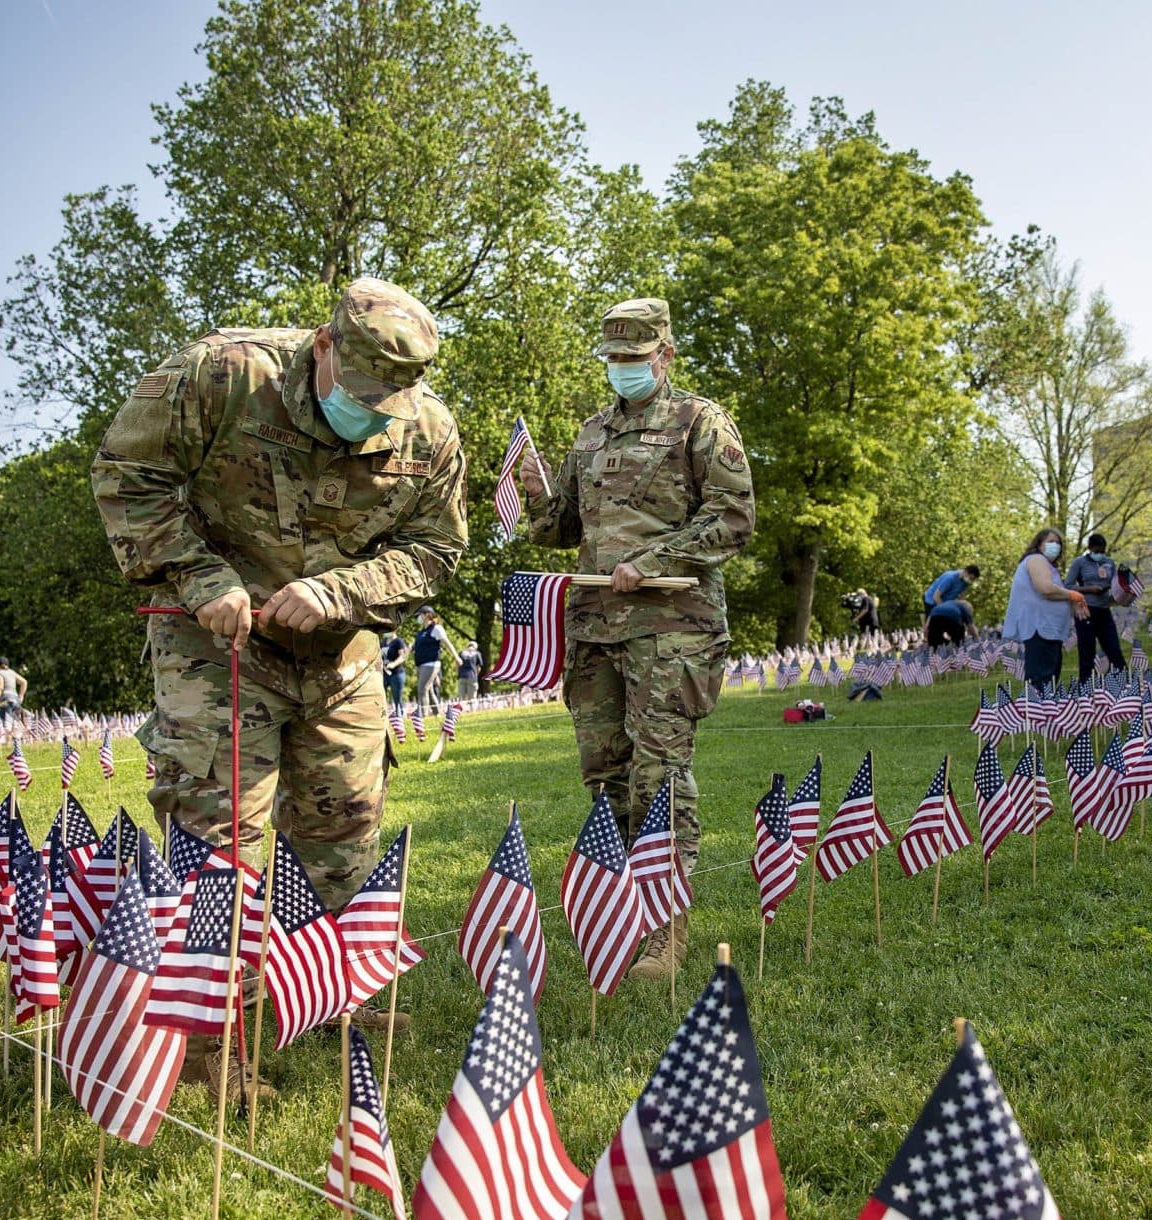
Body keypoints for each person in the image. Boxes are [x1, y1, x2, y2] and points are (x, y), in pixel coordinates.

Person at [92, 276, 468, 1104]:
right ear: (324, 345)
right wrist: (200, 575)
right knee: (218, 833)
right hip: (216, 640)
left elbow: (435, 550)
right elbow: (128, 475)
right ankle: (207, 1042)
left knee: (344, 823)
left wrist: (339, 592)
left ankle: (328, 992)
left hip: (339, 653)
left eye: (389, 403)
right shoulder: (223, 374)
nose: (371, 415)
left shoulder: (429, 431)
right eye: (360, 394)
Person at [520, 297, 754, 981]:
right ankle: (621, 912)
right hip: (595, 630)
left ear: (665, 355)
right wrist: (535, 494)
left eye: (634, 358)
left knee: (658, 776)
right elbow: (566, 527)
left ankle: (666, 929)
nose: (622, 370)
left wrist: (651, 564)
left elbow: (733, 520)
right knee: (607, 778)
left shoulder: (700, 424)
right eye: (614, 359)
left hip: (671, 630)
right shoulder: (592, 434)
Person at [1001, 529, 1087, 690]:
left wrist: (1071, 600)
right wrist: (1073, 595)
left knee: (1049, 680)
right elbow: (1046, 589)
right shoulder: (1036, 559)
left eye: (1058, 543)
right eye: (1051, 541)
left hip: (1049, 631)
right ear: (1039, 544)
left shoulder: (1047, 566)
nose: (1055, 546)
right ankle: (1037, 714)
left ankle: (1045, 713)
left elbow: (1054, 593)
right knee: (1041, 682)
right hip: (1040, 629)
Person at [1063, 534, 1129, 680]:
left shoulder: (1109, 563)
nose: (1100, 554)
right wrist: (1089, 589)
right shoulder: (1079, 563)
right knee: (1087, 652)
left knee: (1113, 649)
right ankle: (1086, 688)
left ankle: (1123, 683)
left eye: (1102, 551)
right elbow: (1067, 586)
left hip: (1104, 611)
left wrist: (1122, 592)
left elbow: (1114, 584)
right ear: (1090, 548)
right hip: (1085, 610)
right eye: (1097, 551)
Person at [412, 606, 448, 714]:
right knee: (430, 690)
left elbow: (447, 643)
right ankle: (437, 713)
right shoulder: (422, 632)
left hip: (431, 663)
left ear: (427, 615)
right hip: (421, 664)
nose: (418, 618)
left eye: (420, 615)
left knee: (422, 689)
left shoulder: (436, 628)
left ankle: (423, 716)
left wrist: (457, 658)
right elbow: (415, 647)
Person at [0, 658, 28, 725]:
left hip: (6, 701)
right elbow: (24, 682)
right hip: (16, 700)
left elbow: (0, 687)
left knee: (5, 725)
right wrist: (21, 696)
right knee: (15, 724)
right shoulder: (12, 672)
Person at [380, 631, 408, 715]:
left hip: (397, 673)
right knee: (381, 695)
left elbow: (403, 656)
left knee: (397, 698)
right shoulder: (383, 642)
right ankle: (383, 716)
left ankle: (400, 716)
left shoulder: (398, 641)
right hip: (385, 673)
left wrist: (393, 664)